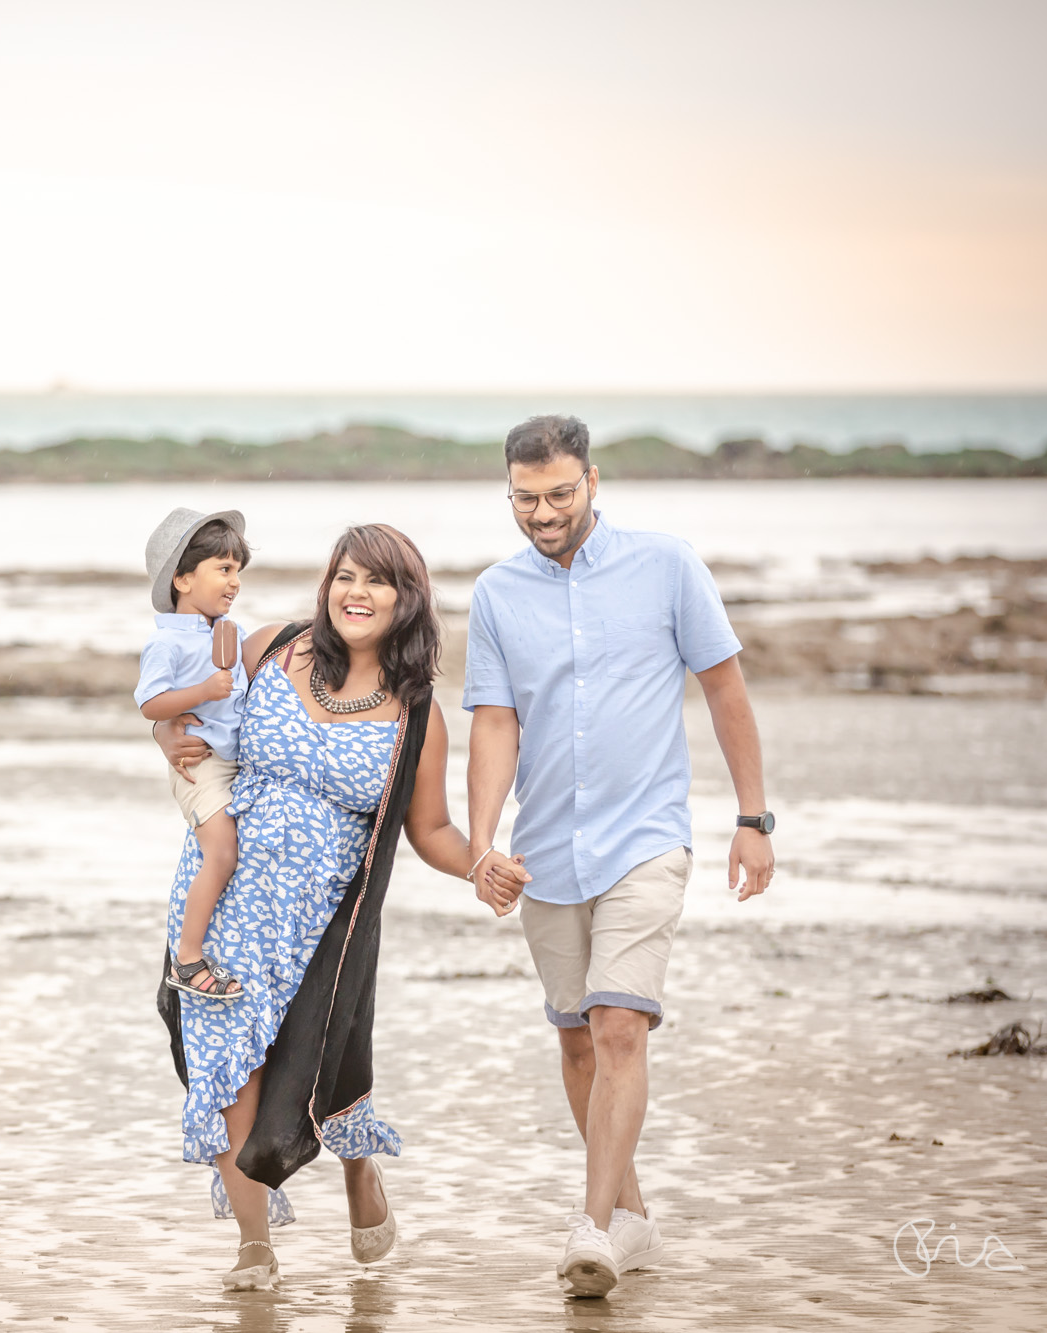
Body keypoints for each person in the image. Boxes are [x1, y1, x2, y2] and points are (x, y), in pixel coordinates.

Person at [153, 524, 521, 1291]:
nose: (357, 592)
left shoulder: (416, 714)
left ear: (406, 600)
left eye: (377, 581)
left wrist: (480, 864)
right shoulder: (267, 648)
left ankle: (359, 1167)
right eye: (345, 576)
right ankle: (255, 1246)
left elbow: (432, 830)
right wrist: (168, 738)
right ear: (327, 585)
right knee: (229, 1070)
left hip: (322, 926)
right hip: (222, 904)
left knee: (322, 1061)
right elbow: (176, 691)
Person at [463, 415, 776, 1299]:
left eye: (560, 493)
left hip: (646, 837)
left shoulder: (667, 565)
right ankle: (630, 1213)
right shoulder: (496, 594)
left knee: (617, 1026)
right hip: (545, 847)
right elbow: (494, 723)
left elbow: (724, 687)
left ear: (593, 480)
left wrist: (755, 817)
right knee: (575, 1042)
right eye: (526, 498)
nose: (544, 512)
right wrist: (483, 844)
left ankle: (593, 1224)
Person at [137, 508, 253, 1002]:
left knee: (237, 850)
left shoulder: (227, 631)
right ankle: (187, 959)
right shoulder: (166, 642)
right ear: (183, 578)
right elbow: (151, 703)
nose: (235, 583)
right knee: (221, 853)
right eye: (223, 570)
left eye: (238, 572)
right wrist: (202, 691)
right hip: (199, 765)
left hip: (230, 759)